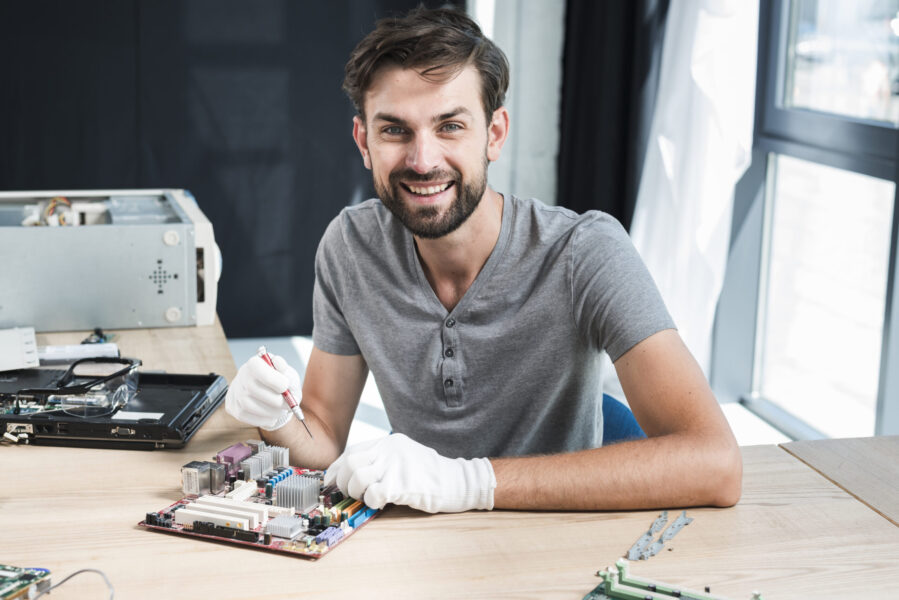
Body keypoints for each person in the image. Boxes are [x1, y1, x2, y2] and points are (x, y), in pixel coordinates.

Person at [226, 6, 742, 513]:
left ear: (494, 134)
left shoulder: (585, 252)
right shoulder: (350, 246)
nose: (423, 160)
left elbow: (714, 462)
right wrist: (276, 415)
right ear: (364, 141)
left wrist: (469, 482)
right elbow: (323, 440)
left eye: (450, 126)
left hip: (556, 546)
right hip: (424, 548)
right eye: (394, 130)